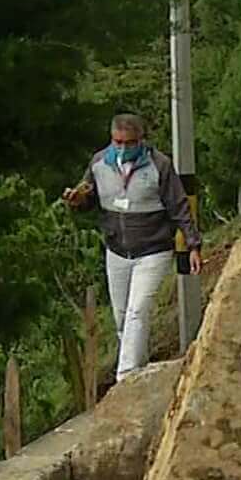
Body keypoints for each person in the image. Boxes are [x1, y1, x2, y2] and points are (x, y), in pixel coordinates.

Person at [62, 113, 202, 379]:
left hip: (153, 250)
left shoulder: (159, 165)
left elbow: (180, 206)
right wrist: (77, 200)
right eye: (118, 142)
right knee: (122, 317)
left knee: (138, 311)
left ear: (141, 140)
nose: (123, 148)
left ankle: (124, 376)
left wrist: (193, 244)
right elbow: (88, 198)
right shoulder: (99, 163)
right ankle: (138, 368)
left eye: (129, 142)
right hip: (116, 250)